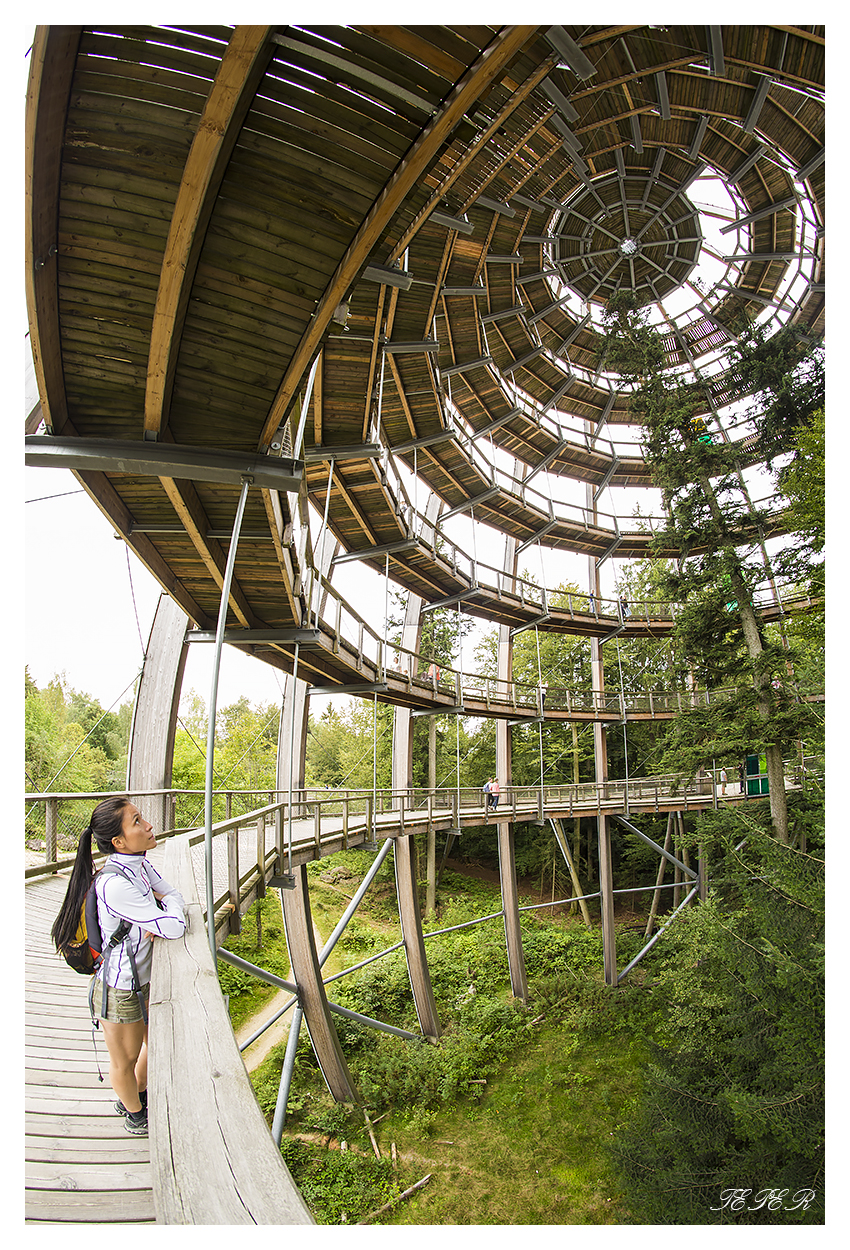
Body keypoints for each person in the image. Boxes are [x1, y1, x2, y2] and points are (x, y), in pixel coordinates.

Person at [51, 796, 187, 1136]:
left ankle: (137, 1095)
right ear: (118, 841)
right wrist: (161, 915)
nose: (149, 825)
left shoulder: (139, 864)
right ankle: (135, 1114)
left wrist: (162, 911)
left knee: (154, 1045)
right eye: (138, 821)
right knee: (123, 1060)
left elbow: (172, 895)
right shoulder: (115, 884)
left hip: (142, 979)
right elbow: (174, 924)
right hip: (120, 986)